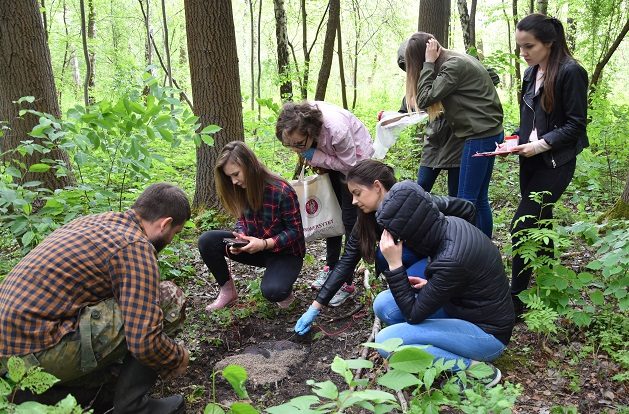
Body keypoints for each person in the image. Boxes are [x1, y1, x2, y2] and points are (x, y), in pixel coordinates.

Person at [0, 183, 191, 413]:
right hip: (36, 352)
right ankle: (134, 406)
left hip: (10, 349)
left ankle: (48, 392)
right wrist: (177, 357)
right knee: (168, 296)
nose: (171, 239)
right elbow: (144, 342)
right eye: (175, 233)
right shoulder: (135, 246)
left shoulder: (98, 222)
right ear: (165, 223)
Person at [294, 159, 477, 334]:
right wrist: (315, 307)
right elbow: (347, 261)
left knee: (405, 296)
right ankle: (412, 301)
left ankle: (439, 316)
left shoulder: (413, 202)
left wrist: (462, 251)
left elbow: (467, 209)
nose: (353, 201)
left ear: (377, 186)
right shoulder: (367, 217)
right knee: (382, 257)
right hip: (406, 261)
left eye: (357, 193)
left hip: (435, 261)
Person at [508, 14, 588, 317]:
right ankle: (545, 283)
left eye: (529, 46)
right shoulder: (531, 73)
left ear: (549, 43)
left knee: (523, 225)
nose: (524, 53)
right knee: (541, 221)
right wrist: (514, 141)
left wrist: (539, 144)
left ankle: (515, 299)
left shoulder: (571, 72)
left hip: (556, 161)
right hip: (529, 159)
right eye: (520, 47)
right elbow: (531, 121)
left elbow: (576, 125)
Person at [404, 32, 504, 238]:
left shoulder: (452, 65)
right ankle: (484, 247)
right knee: (479, 198)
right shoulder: (456, 59)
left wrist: (428, 65)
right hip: (487, 133)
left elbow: (424, 99)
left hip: (480, 136)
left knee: (465, 201)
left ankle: (466, 251)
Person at [276, 101, 374, 306]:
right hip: (330, 161)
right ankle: (331, 267)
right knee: (331, 215)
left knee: (348, 220)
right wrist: (310, 153)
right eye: (290, 145)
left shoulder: (336, 130)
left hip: (355, 165)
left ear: (310, 130)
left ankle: (345, 282)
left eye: (299, 144)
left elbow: (349, 165)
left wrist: (316, 156)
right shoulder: (298, 121)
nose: (296, 150)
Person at [199, 141, 305, 311]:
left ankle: (282, 285)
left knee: (274, 291)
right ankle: (227, 292)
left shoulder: (282, 191)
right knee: (207, 241)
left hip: (285, 253)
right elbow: (242, 220)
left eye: (236, 174)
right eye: (229, 177)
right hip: (255, 248)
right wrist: (240, 238)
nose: (233, 182)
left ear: (249, 165)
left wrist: (264, 244)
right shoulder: (241, 188)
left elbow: (296, 232)